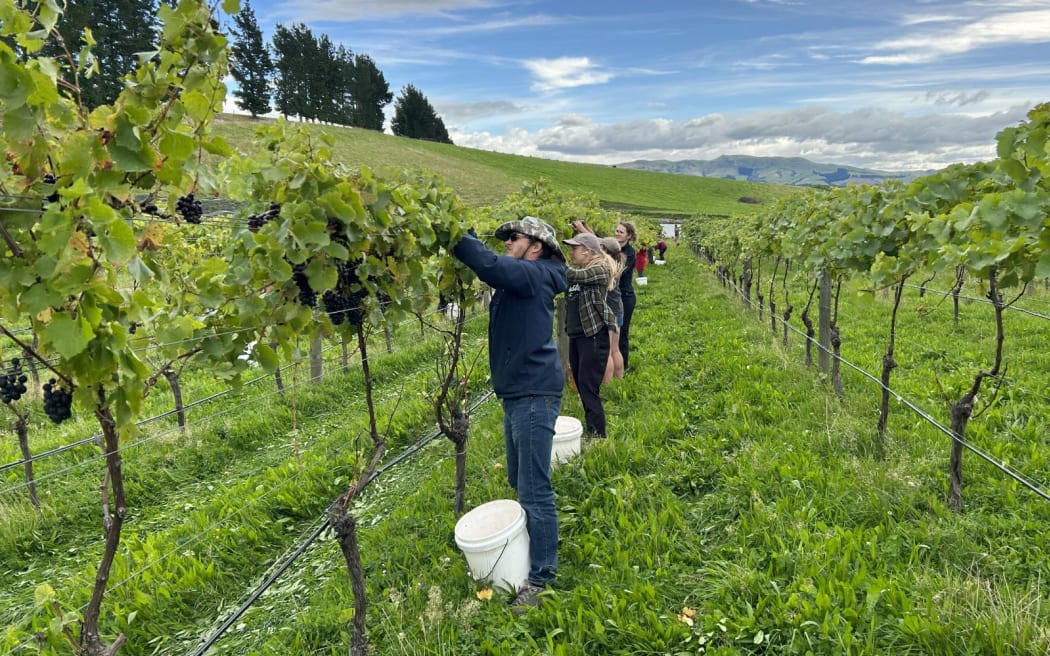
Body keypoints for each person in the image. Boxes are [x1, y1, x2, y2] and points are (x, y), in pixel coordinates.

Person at [451, 216, 567, 610]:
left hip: (534, 392)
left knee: (534, 488)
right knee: (523, 482)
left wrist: (452, 233)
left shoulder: (532, 276)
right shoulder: (532, 276)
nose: (506, 244)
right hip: (520, 391)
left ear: (535, 247)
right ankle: (527, 555)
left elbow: (489, 265)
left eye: (513, 238)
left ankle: (542, 578)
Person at [563, 231, 617, 438]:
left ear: (587, 251)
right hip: (577, 334)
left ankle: (598, 436)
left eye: (574, 248)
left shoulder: (599, 269)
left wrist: (554, 256)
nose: (570, 252)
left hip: (593, 335)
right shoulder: (582, 268)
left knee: (588, 386)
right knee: (581, 383)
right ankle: (592, 430)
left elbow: (575, 276)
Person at [600, 237, 626, 382]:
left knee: (607, 352)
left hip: (608, 311)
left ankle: (607, 384)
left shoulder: (605, 266)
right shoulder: (618, 262)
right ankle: (620, 379)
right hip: (618, 309)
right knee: (615, 349)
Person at [614, 222, 637, 372]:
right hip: (613, 296)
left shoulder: (629, 252)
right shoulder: (613, 249)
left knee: (622, 333)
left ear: (628, 235)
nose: (617, 234)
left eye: (621, 232)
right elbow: (598, 241)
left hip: (625, 297)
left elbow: (618, 272)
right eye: (616, 231)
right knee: (612, 333)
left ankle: (624, 367)